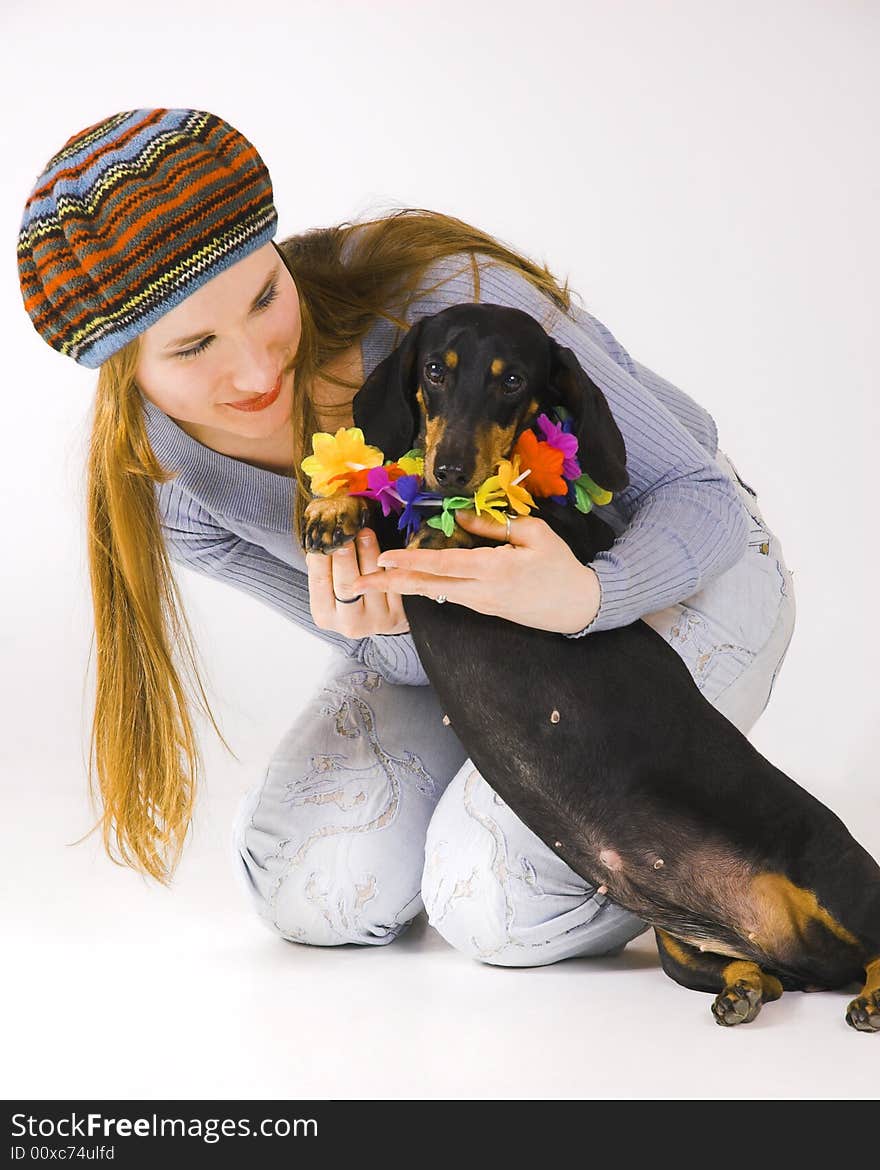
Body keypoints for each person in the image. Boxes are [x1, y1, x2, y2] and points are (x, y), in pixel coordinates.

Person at [18, 107, 796, 965]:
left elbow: (701, 496)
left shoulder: (443, 306)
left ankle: (694, 846)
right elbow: (398, 659)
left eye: (266, 296)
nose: (256, 367)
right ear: (124, 369)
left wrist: (590, 594)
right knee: (310, 886)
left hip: (681, 566)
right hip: (481, 649)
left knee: (498, 906)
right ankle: (561, 807)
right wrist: (385, 625)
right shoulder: (175, 493)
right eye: (195, 345)